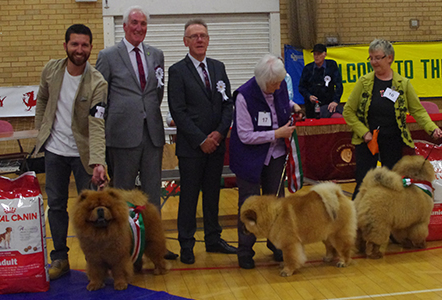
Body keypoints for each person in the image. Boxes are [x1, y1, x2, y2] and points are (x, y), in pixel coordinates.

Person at [96, 7, 177, 260]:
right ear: (124, 26)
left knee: (153, 193)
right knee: (122, 193)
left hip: (152, 133)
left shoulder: (157, 55)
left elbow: (157, 92)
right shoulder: (108, 56)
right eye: (134, 23)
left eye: (143, 23)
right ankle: (122, 247)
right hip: (122, 135)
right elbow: (101, 97)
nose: (139, 27)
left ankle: (155, 247)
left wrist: (146, 111)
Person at [33, 24, 108, 280]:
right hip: (54, 151)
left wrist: (98, 161)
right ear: (65, 45)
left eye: (85, 45)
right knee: (55, 205)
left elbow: (98, 123)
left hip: (83, 154)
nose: (79, 49)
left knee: (88, 209)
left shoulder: (98, 82)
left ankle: (94, 261)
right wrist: (41, 129)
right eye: (75, 44)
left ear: (90, 48)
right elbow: (42, 99)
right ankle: (60, 258)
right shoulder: (51, 70)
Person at [167, 19, 237, 264]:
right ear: (185, 42)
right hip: (191, 149)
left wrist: (218, 134)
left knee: (212, 195)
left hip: (216, 146)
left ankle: (213, 239)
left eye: (203, 35)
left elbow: (228, 104)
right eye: (194, 36)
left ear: (208, 40)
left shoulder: (219, 67)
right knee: (188, 197)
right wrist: (200, 139)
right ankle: (186, 243)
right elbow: (178, 111)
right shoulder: (177, 71)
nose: (199, 40)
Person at [343, 39, 442, 199]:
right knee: (363, 182)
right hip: (367, 142)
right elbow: (348, 111)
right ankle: (356, 219)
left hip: (393, 140)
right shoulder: (364, 82)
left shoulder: (403, 84)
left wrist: (432, 128)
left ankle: (391, 218)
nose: (373, 62)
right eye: (371, 58)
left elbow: (418, 110)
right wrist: (364, 133)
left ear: (389, 58)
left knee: (394, 183)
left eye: (377, 58)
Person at [230, 54, 304, 269]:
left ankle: (277, 245)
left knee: (276, 204)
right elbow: (244, 135)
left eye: (280, 82)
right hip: (249, 159)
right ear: (263, 82)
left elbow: (282, 101)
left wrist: (293, 107)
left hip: (275, 156)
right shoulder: (244, 96)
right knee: (250, 206)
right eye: (274, 83)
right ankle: (245, 251)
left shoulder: (278, 87)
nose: (278, 86)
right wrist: (276, 134)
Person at [298, 43, 343, 118]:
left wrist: (335, 101)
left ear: (324, 54)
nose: (316, 57)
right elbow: (301, 87)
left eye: (319, 54)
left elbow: (339, 85)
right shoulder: (308, 68)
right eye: (315, 54)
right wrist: (309, 96)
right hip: (311, 106)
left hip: (328, 105)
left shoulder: (332, 65)